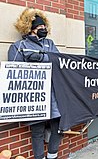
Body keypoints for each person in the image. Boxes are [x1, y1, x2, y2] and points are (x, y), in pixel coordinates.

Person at [8, 8, 63, 159]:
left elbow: (59, 62)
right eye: (39, 27)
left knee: (58, 127)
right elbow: (13, 72)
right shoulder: (18, 46)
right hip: (34, 96)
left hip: (53, 93)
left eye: (44, 27)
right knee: (37, 131)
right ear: (30, 29)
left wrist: (42, 59)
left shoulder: (50, 43)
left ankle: (52, 156)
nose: (43, 29)